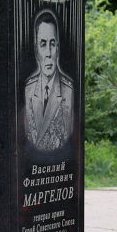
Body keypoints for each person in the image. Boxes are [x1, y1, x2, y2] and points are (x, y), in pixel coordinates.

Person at [24, 9, 73, 151]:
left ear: (57, 48)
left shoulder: (68, 91)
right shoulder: (28, 89)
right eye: (43, 44)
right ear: (36, 50)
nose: (49, 54)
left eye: (52, 44)